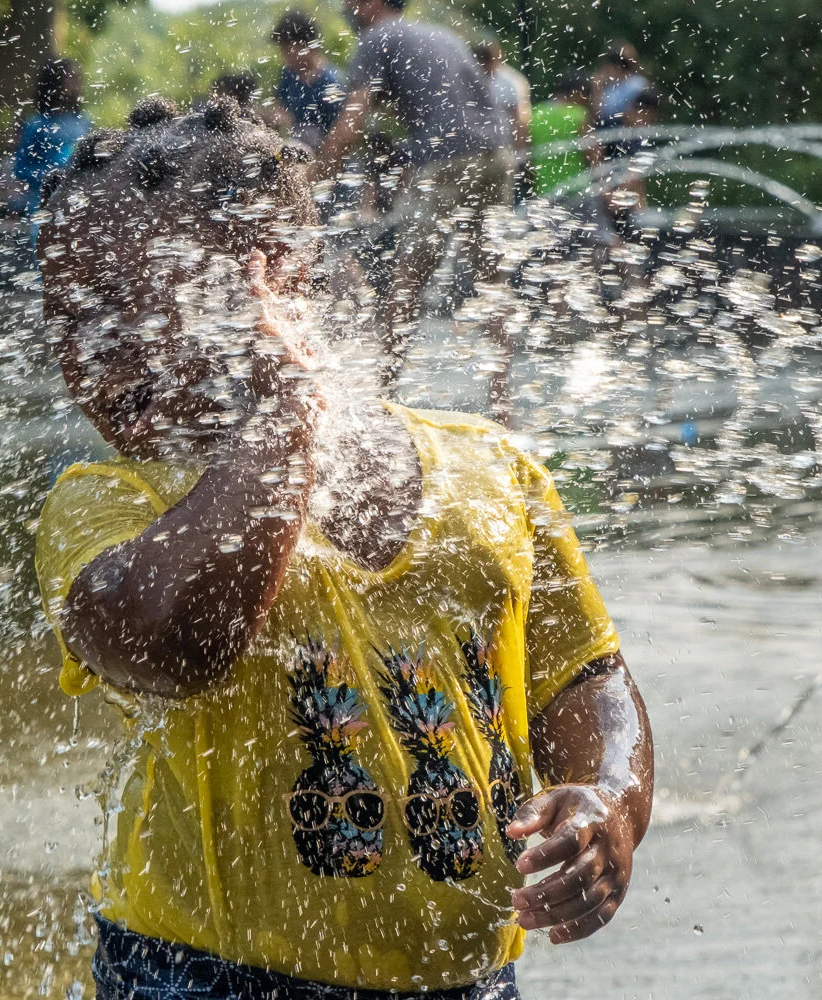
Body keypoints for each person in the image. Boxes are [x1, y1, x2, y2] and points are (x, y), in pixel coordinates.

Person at [35, 96, 653, 1000]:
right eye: (66, 314)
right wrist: (288, 413)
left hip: (469, 982)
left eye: (124, 301)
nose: (88, 351)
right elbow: (173, 645)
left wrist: (607, 802)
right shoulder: (109, 505)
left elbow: (587, 682)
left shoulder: (492, 471)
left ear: (275, 274)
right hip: (203, 976)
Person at [314, 0, 515, 411]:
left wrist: (316, 174)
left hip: (447, 162)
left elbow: (351, 120)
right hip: (496, 155)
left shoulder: (375, 38)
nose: (345, 7)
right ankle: (502, 401)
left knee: (408, 279)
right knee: (493, 279)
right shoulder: (441, 35)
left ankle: (381, 398)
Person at [12, 58, 93, 219]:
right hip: (43, 201)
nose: (75, 85)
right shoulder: (36, 125)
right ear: (55, 82)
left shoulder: (84, 122)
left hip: (77, 199)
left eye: (78, 79)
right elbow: (20, 168)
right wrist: (49, 177)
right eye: (70, 79)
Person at [270, 9, 345, 151]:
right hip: (297, 147)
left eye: (288, 50)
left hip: (327, 155)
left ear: (308, 47)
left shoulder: (331, 82)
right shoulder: (288, 76)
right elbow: (280, 108)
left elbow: (340, 133)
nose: (284, 56)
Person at [528, 74, 593, 198]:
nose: (587, 100)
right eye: (586, 95)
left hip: (545, 190)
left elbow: (527, 155)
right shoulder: (579, 115)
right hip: (577, 189)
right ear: (576, 93)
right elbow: (592, 154)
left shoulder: (536, 114)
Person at [473, 39, 531, 158]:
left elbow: (520, 119)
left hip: (504, 146)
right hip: (477, 145)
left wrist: (520, 152)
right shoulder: (471, 79)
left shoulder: (509, 83)